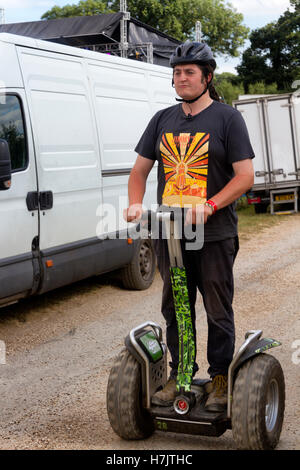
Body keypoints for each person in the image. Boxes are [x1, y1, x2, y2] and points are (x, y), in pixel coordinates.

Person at [124, 41, 255, 411]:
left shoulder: (228, 118)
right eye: (177, 72)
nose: (181, 78)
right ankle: (180, 374)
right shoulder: (162, 119)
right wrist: (135, 202)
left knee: (216, 306)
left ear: (207, 77)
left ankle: (220, 379)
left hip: (214, 234)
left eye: (189, 72)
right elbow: (139, 171)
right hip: (171, 234)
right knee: (176, 306)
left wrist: (211, 205)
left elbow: (245, 176)